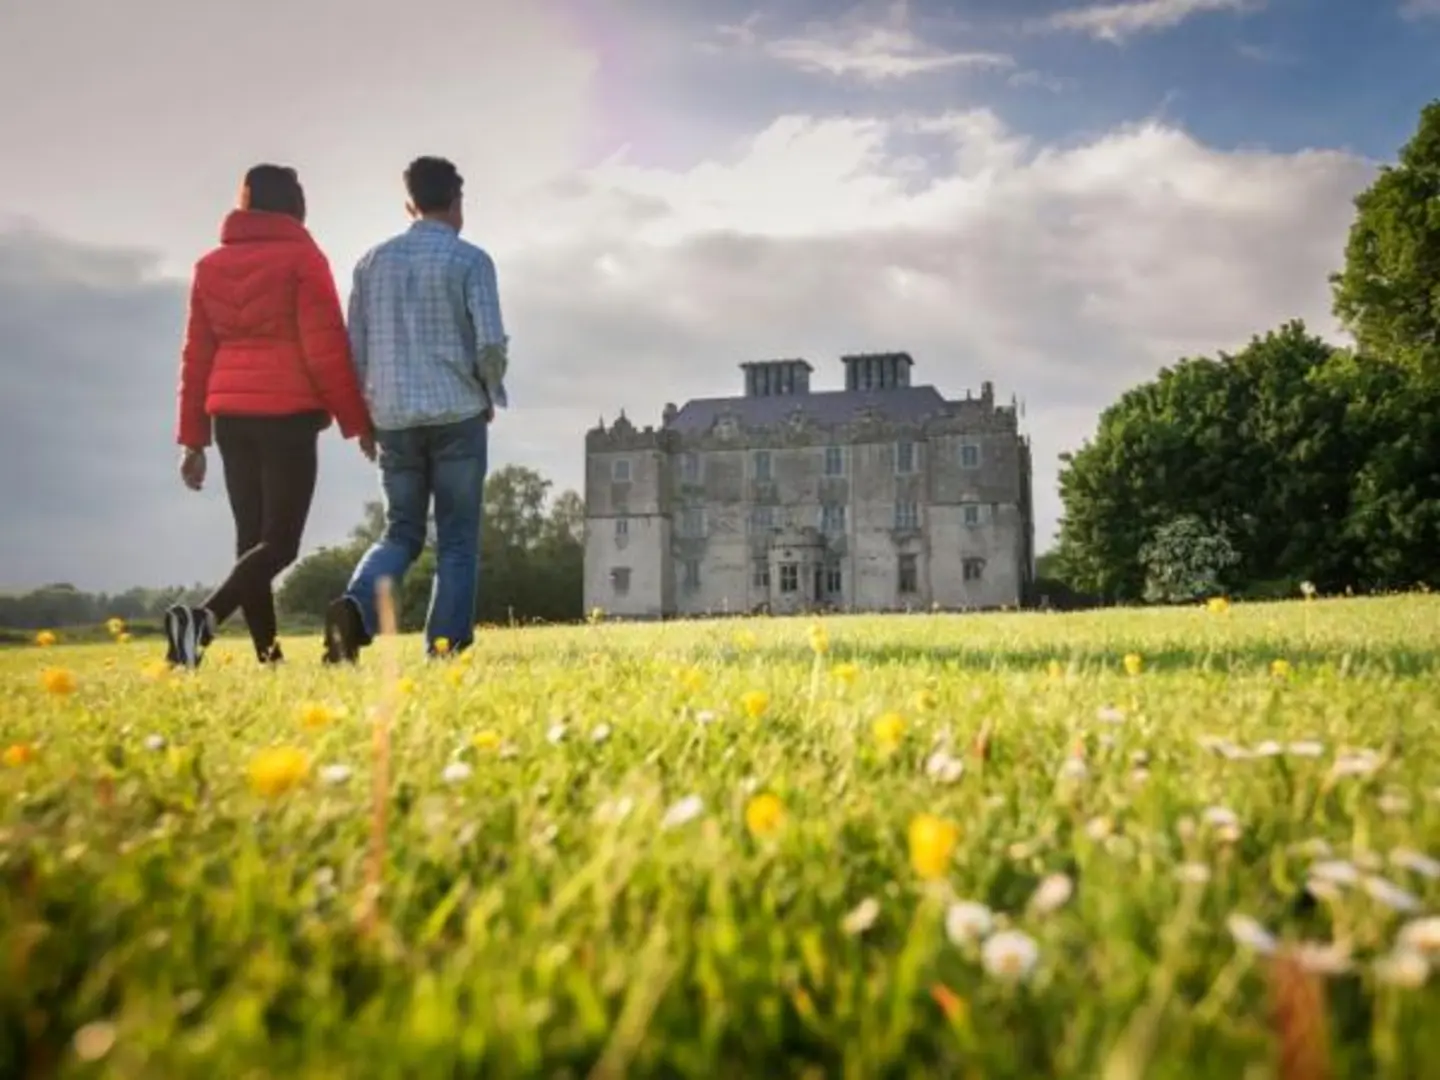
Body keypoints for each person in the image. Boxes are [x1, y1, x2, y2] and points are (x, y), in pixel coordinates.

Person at [165, 164, 375, 669]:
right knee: (279, 544)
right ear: (294, 205)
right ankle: (203, 621)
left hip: (231, 416)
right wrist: (358, 422)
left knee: (251, 539)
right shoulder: (303, 258)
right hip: (288, 414)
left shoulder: (210, 265)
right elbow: (325, 350)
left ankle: (269, 658)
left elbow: (197, 355)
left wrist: (192, 440)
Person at [322, 155, 508, 663]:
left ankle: (356, 610)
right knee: (457, 539)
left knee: (400, 530)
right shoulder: (472, 261)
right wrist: (490, 391)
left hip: (393, 418)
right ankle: (444, 647)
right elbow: (490, 343)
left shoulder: (370, 263)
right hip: (457, 413)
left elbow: (353, 350)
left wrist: (363, 419)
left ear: (409, 204)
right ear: (457, 201)